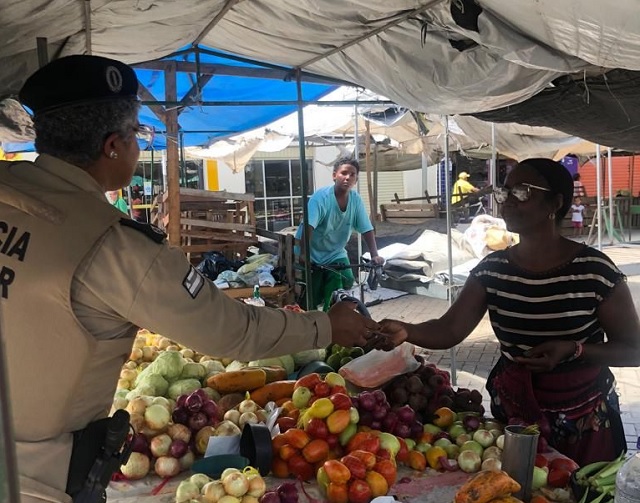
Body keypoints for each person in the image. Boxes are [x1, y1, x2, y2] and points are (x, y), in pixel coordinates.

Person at [0, 55, 381, 503]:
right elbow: (230, 330)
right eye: (138, 134)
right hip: (35, 481)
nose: (139, 145)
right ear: (113, 147)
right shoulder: (114, 246)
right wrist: (327, 325)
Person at [380, 158, 640, 466]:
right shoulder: (493, 270)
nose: (506, 201)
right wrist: (408, 330)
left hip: (584, 420)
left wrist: (575, 349)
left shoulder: (595, 271)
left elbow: (633, 350)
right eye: (505, 192)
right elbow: (449, 329)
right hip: (516, 415)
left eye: (522, 192)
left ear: (554, 203)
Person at [295, 157, 385, 311]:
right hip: (311, 251)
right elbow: (309, 226)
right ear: (334, 175)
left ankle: (332, 316)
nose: (348, 177)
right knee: (312, 294)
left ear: (356, 180)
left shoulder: (356, 200)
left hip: (335, 253)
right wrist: (304, 254)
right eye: (344, 173)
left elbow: (366, 229)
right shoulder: (321, 198)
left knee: (347, 278)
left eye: (352, 175)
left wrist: (374, 255)